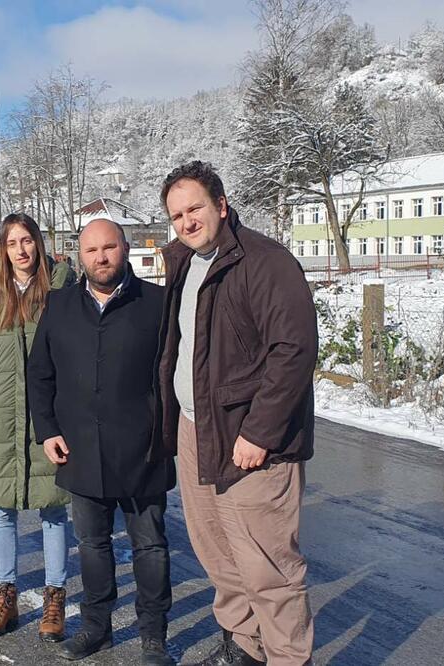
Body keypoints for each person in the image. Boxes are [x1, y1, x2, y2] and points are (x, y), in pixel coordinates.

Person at [156, 162, 318, 666]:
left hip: (250, 440)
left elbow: (293, 350)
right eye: (177, 215)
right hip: (196, 429)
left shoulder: (266, 262)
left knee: (269, 566)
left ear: (221, 206)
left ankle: (289, 658)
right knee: (219, 556)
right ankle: (245, 648)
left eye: (195, 209)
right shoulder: (185, 263)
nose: (187, 221)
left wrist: (260, 432)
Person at [28, 218, 175, 665]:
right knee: (92, 545)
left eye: (109, 247)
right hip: (81, 447)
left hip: (143, 449)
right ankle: (96, 628)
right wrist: (47, 430)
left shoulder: (156, 303)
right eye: (91, 250)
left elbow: (173, 375)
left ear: (125, 248)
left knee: (150, 546)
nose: (101, 257)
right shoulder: (59, 305)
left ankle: (153, 637)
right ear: (80, 255)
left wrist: (168, 432)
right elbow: (39, 374)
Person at [0, 213, 73, 641]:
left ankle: (54, 599)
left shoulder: (60, 293)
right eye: (12, 243)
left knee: (53, 509)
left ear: (38, 244)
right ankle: (4, 596)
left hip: (49, 419)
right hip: (0, 422)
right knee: (1, 511)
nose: (21, 250)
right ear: (1, 251)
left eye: (27, 241)